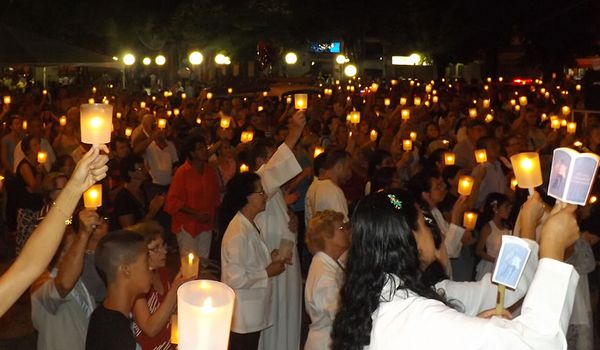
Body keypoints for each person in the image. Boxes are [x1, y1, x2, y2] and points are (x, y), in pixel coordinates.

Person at [331, 189, 580, 350]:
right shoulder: (415, 315)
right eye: (424, 222)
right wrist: (553, 251)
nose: (432, 230)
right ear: (410, 237)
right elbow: (538, 342)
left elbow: (498, 290)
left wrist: (468, 325)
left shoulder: (379, 298)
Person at [0, 145, 109, 316]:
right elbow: (32, 264)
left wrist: (75, 187)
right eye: (61, 189)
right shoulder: (46, 214)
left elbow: (28, 266)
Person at [250, 111, 306, 350]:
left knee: (288, 311)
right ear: (260, 161)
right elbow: (274, 172)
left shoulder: (273, 189)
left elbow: (279, 214)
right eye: (271, 157)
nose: (276, 161)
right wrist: (294, 133)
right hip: (271, 261)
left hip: (285, 260)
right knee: (274, 314)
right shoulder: (258, 183)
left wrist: (291, 219)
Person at [219, 172, 287, 350]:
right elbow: (235, 277)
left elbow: (248, 262)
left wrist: (268, 258)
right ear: (247, 197)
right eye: (260, 192)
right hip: (242, 315)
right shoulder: (238, 233)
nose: (265, 196)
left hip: (251, 312)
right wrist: (268, 272)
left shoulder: (249, 224)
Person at [31, 209, 107, 350]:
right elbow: (63, 285)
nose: (79, 252)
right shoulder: (39, 286)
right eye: (72, 248)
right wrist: (83, 234)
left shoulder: (78, 276)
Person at [86, 231, 153, 350]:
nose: (151, 267)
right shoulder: (118, 338)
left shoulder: (101, 316)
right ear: (126, 270)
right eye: (146, 260)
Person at [128, 221, 187, 350]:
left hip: (170, 342)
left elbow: (171, 309)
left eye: (163, 245)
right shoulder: (138, 285)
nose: (164, 251)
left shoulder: (161, 271)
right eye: (156, 248)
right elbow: (150, 329)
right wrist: (175, 288)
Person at [164, 134, 220, 267]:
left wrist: (214, 221)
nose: (205, 151)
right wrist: (196, 214)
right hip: (187, 225)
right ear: (192, 153)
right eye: (200, 148)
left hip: (206, 224)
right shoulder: (182, 172)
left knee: (204, 262)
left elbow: (215, 199)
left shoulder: (210, 171)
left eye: (204, 147)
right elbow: (173, 201)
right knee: (190, 265)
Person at [304, 210, 350, 350]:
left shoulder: (329, 263)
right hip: (326, 343)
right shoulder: (324, 275)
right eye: (341, 229)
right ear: (326, 237)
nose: (347, 232)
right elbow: (340, 316)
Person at [111, 154, 164, 230]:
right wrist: (152, 211)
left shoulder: (142, 190)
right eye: (141, 168)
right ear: (130, 173)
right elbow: (129, 230)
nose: (146, 170)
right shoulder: (123, 198)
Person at [14, 135, 46, 254]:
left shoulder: (38, 164)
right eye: (35, 145)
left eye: (39, 144)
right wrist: (38, 174)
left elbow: (44, 184)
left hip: (38, 205)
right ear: (28, 149)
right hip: (28, 207)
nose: (39, 147)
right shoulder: (25, 165)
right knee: (26, 239)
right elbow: (34, 186)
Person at [305, 149, 352, 226]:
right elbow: (341, 225)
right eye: (348, 168)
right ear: (338, 167)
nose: (350, 173)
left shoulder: (313, 187)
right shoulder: (333, 190)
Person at [475, 193, 513, 280]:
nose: (509, 209)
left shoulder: (507, 226)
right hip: (490, 266)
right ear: (496, 208)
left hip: (503, 266)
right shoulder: (488, 227)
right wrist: (495, 260)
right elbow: (478, 250)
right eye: (506, 207)